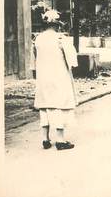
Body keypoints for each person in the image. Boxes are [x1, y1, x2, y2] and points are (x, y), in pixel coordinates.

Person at [32, 9, 78, 150]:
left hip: (43, 77)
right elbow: (72, 60)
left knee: (44, 105)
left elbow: (33, 59)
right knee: (59, 105)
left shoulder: (38, 39)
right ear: (58, 24)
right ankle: (60, 140)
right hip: (59, 76)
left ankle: (45, 139)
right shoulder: (61, 39)